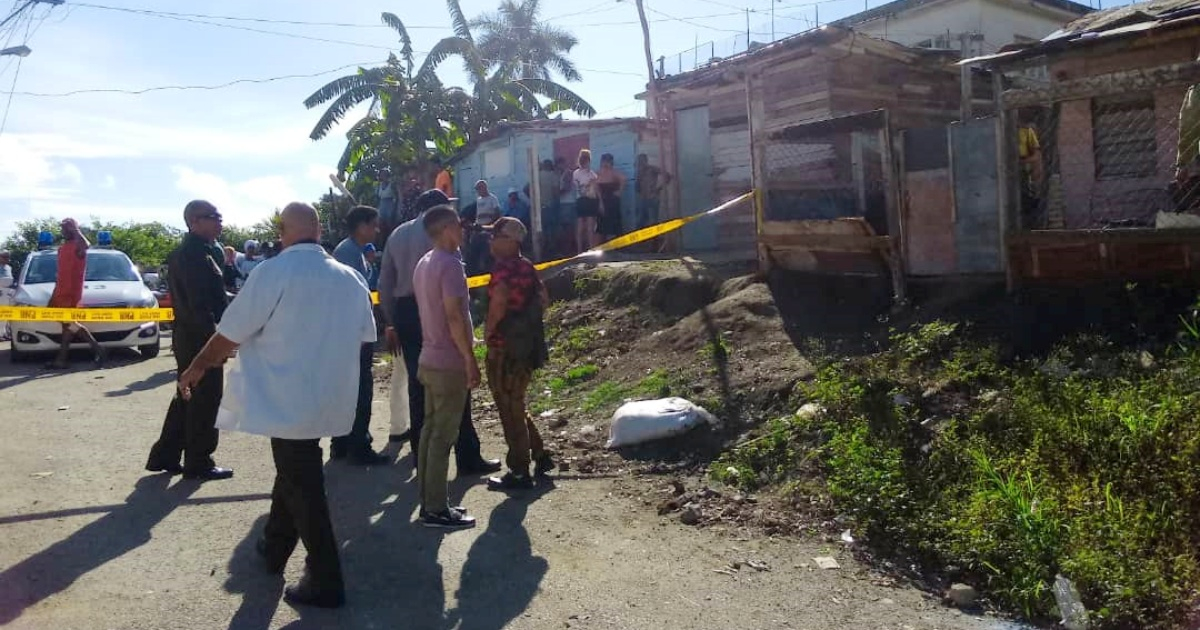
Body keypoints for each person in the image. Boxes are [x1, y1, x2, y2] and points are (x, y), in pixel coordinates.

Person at [177, 202, 375, 609]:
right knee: (294, 470)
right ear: (318, 231)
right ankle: (274, 547)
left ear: (285, 231)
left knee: (303, 483)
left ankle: (325, 578)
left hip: (285, 399)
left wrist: (196, 367)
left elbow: (230, 332)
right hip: (328, 399)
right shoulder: (351, 277)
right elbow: (365, 335)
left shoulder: (273, 271)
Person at [377, 188, 500, 473]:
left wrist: (391, 320)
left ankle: (423, 459)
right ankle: (467, 455)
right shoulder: (445, 236)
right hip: (438, 310)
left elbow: (385, 282)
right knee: (457, 380)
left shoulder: (397, 235)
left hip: (407, 312)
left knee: (419, 385)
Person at [145, 201, 233, 481]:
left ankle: (165, 454)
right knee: (206, 398)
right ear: (194, 221)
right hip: (198, 334)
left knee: (187, 393)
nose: (220, 222)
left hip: (190, 333)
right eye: (213, 217)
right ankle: (199, 461)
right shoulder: (194, 255)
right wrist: (216, 344)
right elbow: (200, 305)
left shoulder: (202, 252)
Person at [412, 204, 480, 529]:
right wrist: (469, 358)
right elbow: (455, 315)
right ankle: (437, 508)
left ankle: (429, 501)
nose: (462, 230)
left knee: (429, 431)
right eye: (457, 225)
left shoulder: (424, 263)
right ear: (445, 229)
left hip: (428, 357)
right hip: (448, 361)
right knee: (443, 436)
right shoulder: (450, 265)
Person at [482, 217, 554, 491]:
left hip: (505, 349)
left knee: (508, 407)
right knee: (517, 402)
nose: (491, 240)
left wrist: (489, 333)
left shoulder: (503, 271)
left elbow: (498, 304)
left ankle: (519, 471)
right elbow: (544, 299)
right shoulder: (527, 267)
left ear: (510, 241)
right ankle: (539, 454)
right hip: (528, 346)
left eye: (496, 235)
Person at [330, 206, 388, 465]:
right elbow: (354, 293)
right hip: (351, 332)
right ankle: (358, 445)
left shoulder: (357, 251)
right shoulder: (348, 252)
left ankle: (342, 443)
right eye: (373, 225)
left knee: (350, 387)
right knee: (359, 389)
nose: (376, 230)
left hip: (352, 330)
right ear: (361, 226)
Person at [45, 218, 105, 370]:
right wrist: (53, 296)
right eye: (63, 228)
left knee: (69, 324)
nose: (63, 231)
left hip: (71, 294)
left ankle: (97, 348)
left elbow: (86, 245)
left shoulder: (78, 246)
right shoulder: (62, 248)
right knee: (68, 327)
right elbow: (60, 274)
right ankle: (62, 359)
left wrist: (76, 230)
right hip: (60, 292)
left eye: (66, 228)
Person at [573, 149, 601, 253]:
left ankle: (579, 249)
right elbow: (596, 189)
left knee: (580, 226)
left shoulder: (575, 173)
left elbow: (577, 187)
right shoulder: (592, 174)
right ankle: (590, 248)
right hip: (590, 200)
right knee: (590, 227)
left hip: (580, 200)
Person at [595, 153, 627, 242]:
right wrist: (600, 202)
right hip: (602, 200)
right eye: (604, 161)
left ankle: (617, 244)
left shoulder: (613, 172)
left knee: (615, 222)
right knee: (602, 223)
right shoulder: (598, 173)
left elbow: (624, 179)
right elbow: (596, 188)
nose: (606, 164)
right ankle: (603, 244)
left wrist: (620, 191)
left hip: (613, 200)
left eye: (608, 161)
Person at [635, 153, 670, 229]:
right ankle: (644, 239)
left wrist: (659, 188)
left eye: (642, 161)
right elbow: (637, 187)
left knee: (654, 220)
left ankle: (655, 238)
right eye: (639, 161)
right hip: (643, 198)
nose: (640, 163)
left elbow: (668, 176)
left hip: (653, 197)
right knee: (641, 220)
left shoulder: (652, 169)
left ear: (646, 161)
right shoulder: (639, 172)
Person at [0, 251, 11, 342]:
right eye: (4, 257)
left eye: (7, 257)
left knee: (6, 315)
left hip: (6, 293)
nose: (6, 259)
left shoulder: (8, 268)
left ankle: (5, 333)